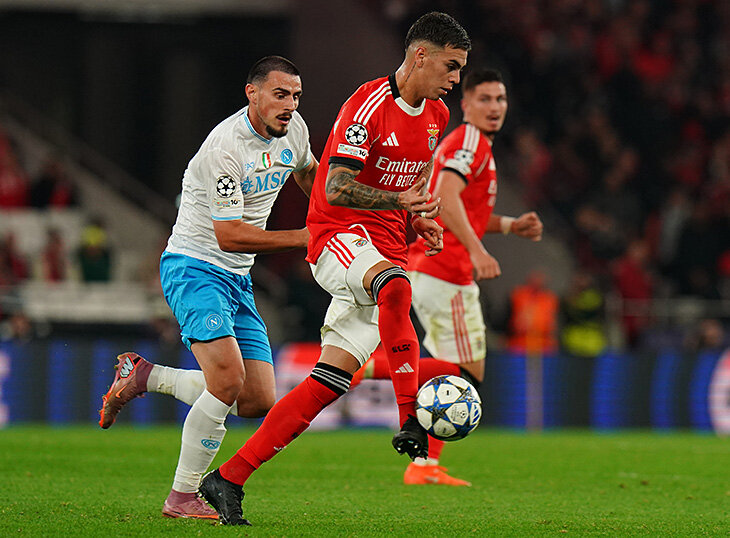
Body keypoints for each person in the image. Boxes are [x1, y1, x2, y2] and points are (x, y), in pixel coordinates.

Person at [196, 12, 471, 525]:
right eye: (451, 66)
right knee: (396, 288)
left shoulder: (436, 116)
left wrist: (419, 220)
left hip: (384, 247)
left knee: (327, 383)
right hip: (338, 236)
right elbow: (334, 186)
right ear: (421, 56)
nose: (456, 78)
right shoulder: (368, 106)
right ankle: (411, 417)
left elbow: (409, 188)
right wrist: (399, 201)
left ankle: (228, 478)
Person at [98, 56, 318, 520]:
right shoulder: (225, 146)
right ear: (251, 93)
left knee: (256, 399)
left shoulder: (294, 130)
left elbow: (308, 174)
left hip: (238, 277)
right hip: (195, 267)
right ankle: (182, 497)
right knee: (227, 380)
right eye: (280, 94)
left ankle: (146, 377)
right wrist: (306, 236)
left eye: (296, 96)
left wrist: (345, 209)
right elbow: (230, 235)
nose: (290, 105)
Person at [352, 69, 544, 486]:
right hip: (446, 272)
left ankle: (424, 465)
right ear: (466, 104)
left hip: (433, 269)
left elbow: (463, 211)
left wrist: (510, 226)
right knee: (467, 373)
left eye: (500, 99)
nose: (494, 107)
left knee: (454, 375)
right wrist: (477, 251)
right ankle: (367, 368)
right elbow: (447, 196)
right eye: (485, 99)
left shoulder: (471, 145)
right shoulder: (470, 141)